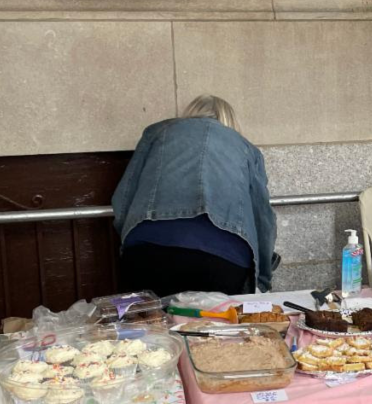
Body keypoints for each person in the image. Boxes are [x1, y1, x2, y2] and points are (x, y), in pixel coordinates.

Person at [112, 95, 276, 296]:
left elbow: (123, 198)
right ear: (230, 120)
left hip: (147, 250)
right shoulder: (246, 149)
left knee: (151, 316)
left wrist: (129, 239)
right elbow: (262, 218)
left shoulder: (156, 134)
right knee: (215, 316)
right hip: (223, 257)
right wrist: (263, 278)